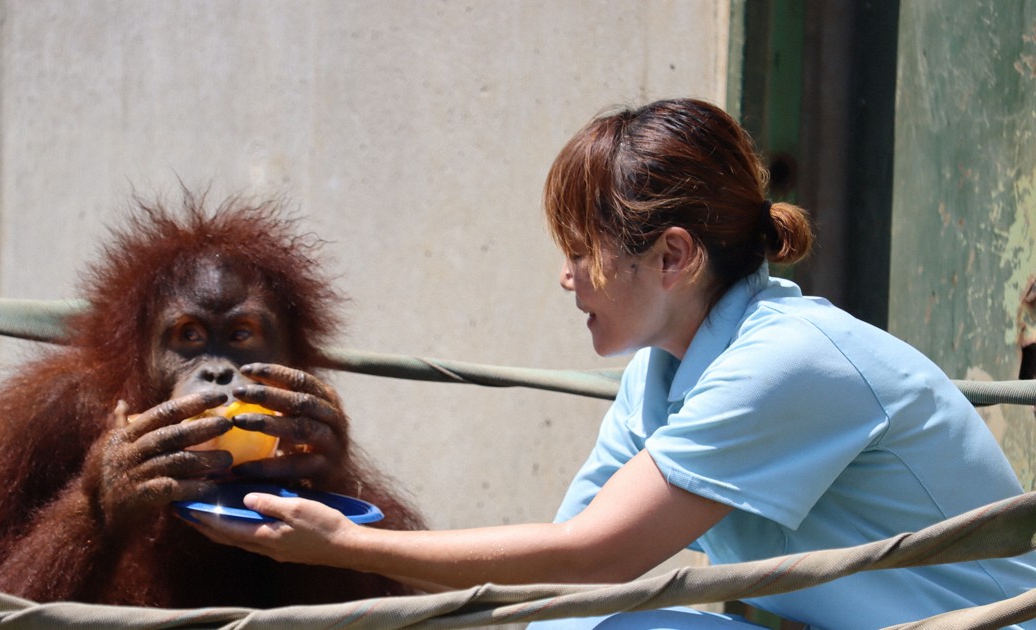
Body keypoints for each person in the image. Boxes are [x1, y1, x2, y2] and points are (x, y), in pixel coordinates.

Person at [183, 98, 1036, 629]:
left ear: (673, 257)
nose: (565, 276)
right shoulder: (659, 376)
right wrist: (350, 530)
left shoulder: (791, 361)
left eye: (581, 250)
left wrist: (338, 546)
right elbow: (559, 577)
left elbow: (599, 556)